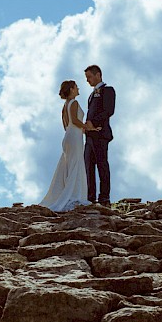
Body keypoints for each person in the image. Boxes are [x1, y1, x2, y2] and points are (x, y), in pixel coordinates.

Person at [38, 80, 96, 212]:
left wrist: (77, 129)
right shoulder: (74, 102)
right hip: (75, 137)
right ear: (71, 89)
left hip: (68, 136)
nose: (78, 88)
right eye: (76, 87)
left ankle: (69, 193)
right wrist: (86, 127)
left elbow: (66, 125)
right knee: (76, 164)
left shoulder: (64, 106)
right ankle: (74, 195)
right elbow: (74, 120)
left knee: (69, 165)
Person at [83, 65, 115, 205]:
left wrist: (93, 122)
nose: (88, 80)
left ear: (98, 75)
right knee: (88, 166)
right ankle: (90, 197)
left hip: (101, 133)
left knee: (102, 165)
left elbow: (109, 110)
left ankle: (104, 197)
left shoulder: (108, 90)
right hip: (89, 135)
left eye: (89, 77)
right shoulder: (91, 95)